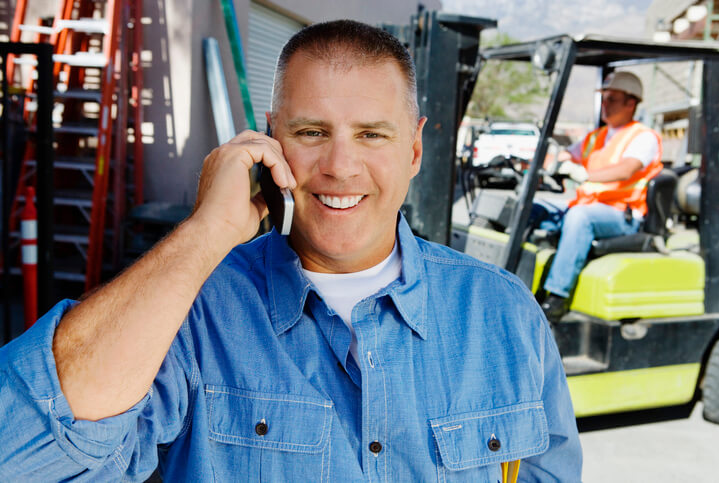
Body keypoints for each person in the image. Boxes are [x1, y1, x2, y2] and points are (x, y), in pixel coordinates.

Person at [0, 20, 582, 481]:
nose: (339, 167)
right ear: (269, 141)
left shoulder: (505, 314)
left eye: (371, 134)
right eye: (311, 133)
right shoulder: (192, 311)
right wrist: (206, 232)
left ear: (413, 151)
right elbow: (21, 457)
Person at [540, 71, 663, 320]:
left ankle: (556, 297)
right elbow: (567, 154)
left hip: (623, 215)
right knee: (534, 209)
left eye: (611, 99)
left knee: (579, 218)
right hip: (590, 206)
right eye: (604, 99)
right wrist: (559, 161)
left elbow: (627, 168)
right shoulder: (596, 137)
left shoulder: (642, 137)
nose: (604, 105)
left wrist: (584, 174)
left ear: (631, 103)